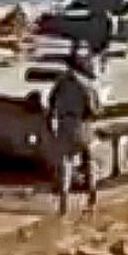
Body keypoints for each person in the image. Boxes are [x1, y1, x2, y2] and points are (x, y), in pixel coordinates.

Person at [45, 45, 100, 213]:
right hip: (82, 124)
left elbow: (50, 101)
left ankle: (64, 202)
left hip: (64, 124)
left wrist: (52, 120)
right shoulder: (86, 84)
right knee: (89, 160)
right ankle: (92, 197)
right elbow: (94, 109)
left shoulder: (61, 82)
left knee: (65, 162)